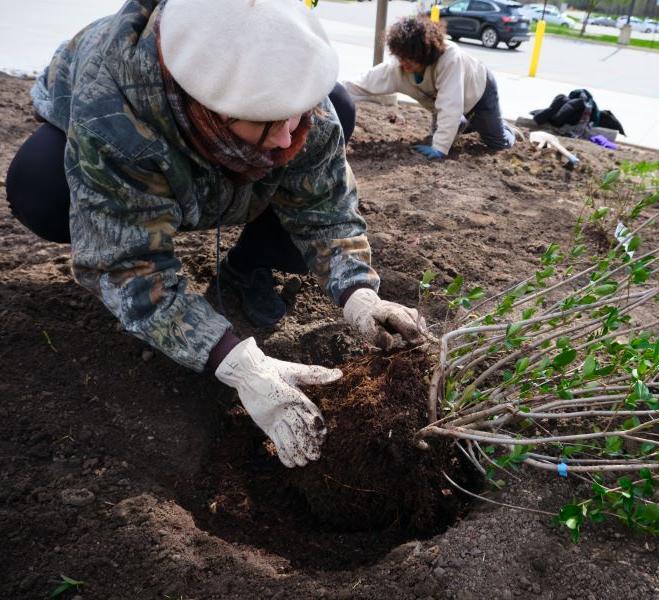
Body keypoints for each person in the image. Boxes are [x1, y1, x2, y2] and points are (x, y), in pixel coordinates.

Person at [4, 0, 428, 469]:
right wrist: (234, 361)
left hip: (213, 157)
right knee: (40, 186)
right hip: (114, 144)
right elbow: (126, 263)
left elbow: (324, 204)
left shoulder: (292, 92)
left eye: (296, 114)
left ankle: (248, 267)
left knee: (336, 114)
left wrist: (359, 293)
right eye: (267, 120)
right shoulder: (113, 114)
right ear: (207, 106)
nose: (289, 137)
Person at [344, 16, 517, 161]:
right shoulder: (397, 68)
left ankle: (506, 128)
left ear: (424, 53)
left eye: (410, 59)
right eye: (401, 57)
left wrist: (440, 148)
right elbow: (360, 84)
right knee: (444, 130)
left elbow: (450, 104)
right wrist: (330, 93)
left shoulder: (450, 59)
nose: (404, 64)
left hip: (479, 91)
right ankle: (463, 122)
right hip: (444, 104)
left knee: (497, 143)